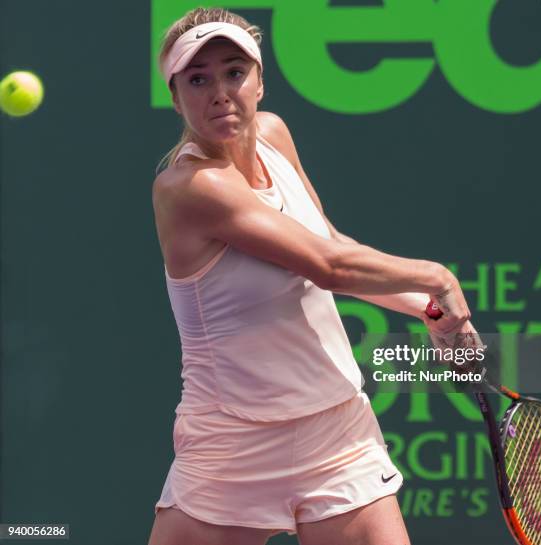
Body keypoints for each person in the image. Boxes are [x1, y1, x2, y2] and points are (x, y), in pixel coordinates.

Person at [148, 7, 473, 545]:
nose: (220, 92)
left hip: (336, 427)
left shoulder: (274, 136)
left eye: (234, 72)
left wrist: (430, 310)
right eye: (198, 80)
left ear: (260, 81)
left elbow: (330, 242)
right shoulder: (189, 187)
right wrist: (438, 278)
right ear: (177, 97)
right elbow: (328, 268)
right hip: (234, 440)